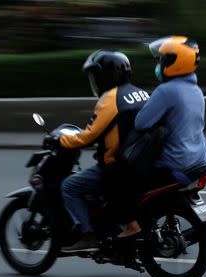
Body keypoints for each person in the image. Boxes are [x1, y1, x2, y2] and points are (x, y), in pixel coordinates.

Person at [119, 36, 206, 238]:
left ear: (174, 63)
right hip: (199, 160)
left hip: (176, 163)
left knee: (124, 178)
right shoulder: (196, 90)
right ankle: (171, 219)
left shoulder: (167, 91)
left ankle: (133, 226)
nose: (158, 64)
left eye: (161, 60)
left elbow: (141, 123)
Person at [56, 50, 149, 252]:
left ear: (106, 75)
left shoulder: (110, 99)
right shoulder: (140, 92)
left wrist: (62, 141)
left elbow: (89, 136)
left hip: (117, 164)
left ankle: (88, 235)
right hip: (142, 160)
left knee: (69, 186)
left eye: (96, 76)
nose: (95, 81)